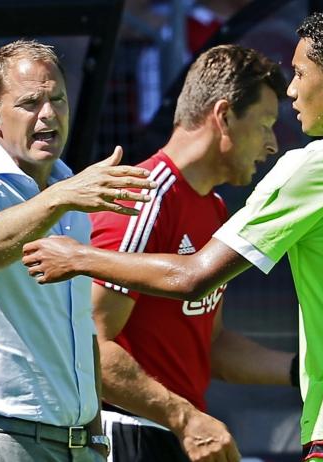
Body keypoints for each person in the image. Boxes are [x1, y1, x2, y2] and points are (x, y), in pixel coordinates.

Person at [22, 7, 323, 462]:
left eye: (300, 74)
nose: (290, 93)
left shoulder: (317, 165)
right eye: (263, 121)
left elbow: (193, 276)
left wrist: (79, 256)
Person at [0, 39, 157, 462]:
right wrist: (63, 197)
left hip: (78, 446)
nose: (48, 113)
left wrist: (94, 436)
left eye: (57, 99)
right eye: (30, 102)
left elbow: (79, 327)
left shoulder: (67, 193)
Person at [89, 44, 295, 462]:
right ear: (223, 116)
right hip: (127, 434)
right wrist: (184, 418)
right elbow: (90, 346)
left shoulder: (215, 208)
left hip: (175, 433)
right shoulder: (142, 195)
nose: (272, 145)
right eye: (266, 124)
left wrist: (307, 371)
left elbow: (211, 344)